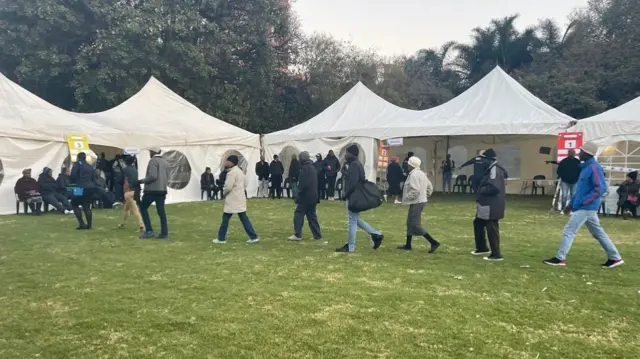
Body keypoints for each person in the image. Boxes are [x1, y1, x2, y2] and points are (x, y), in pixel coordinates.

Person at [544, 142, 624, 268]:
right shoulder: (586, 168)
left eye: (581, 151)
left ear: (587, 154)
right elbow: (581, 190)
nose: (578, 153)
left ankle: (560, 258)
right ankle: (615, 257)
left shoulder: (594, 168)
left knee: (569, 231)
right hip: (585, 206)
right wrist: (571, 204)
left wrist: (584, 202)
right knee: (598, 233)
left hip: (586, 207)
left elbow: (600, 188)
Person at [336, 144, 384, 253]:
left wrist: (345, 195)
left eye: (347, 153)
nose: (346, 155)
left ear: (351, 153)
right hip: (355, 194)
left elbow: (353, 183)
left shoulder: (354, 164)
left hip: (354, 196)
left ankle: (351, 246)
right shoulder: (357, 164)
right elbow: (357, 178)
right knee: (355, 219)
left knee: (352, 221)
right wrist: (345, 173)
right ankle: (376, 234)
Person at [397, 156, 441, 253]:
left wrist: (405, 198)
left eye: (408, 164)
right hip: (419, 201)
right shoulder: (421, 173)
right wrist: (425, 196)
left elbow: (415, 190)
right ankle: (408, 245)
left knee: (415, 225)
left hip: (416, 202)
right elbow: (430, 187)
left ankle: (433, 242)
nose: (407, 165)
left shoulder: (413, 175)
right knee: (409, 223)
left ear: (411, 165)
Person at [213, 155, 259, 244]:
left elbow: (228, 187)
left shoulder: (232, 173)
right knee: (244, 218)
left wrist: (224, 194)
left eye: (227, 161)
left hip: (232, 199)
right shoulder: (240, 171)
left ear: (231, 162)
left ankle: (221, 238)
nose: (225, 163)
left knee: (225, 219)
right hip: (240, 198)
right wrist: (240, 190)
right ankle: (253, 236)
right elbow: (246, 182)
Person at [471, 149, 507, 261]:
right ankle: (482, 248)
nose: (482, 161)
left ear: (490, 160)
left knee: (491, 227)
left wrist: (481, 190)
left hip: (491, 205)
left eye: (484, 159)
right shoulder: (491, 169)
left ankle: (496, 254)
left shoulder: (494, 170)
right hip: (486, 204)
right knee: (478, 223)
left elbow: (494, 187)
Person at [138, 147, 171, 239]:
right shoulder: (166, 162)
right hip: (162, 190)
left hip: (152, 190)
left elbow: (152, 176)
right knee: (161, 212)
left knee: (143, 208)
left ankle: (149, 230)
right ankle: (164, 233)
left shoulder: (153, 161)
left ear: (152, 152)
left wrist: (141, 181)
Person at [289, 151, 322, 241]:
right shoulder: (312, 167)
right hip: (313, 196)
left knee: (298, 214)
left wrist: (297, 195)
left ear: (302, 159)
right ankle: (317, 235)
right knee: (312, 216)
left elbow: (303, 184)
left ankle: (297, 234)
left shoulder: (305, 169)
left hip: (305, 197)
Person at [70, 152, 97, 229]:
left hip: (79, 187)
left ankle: (81, 223)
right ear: (85, 158)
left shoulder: (77, 164)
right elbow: (93, 177)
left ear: (78, 158)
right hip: (90, 187)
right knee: (86, 206)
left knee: (74, 204)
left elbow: (73, 176)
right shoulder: (89, 166)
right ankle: (89, 225)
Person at [120, 155, 144, 232]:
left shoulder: (124, 170)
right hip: (135, 190)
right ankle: (122, 223)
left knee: (135, 210)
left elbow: (120, 180)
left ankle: (141, 226)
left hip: (128, 191)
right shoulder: (135, 169)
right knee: (126, 209)